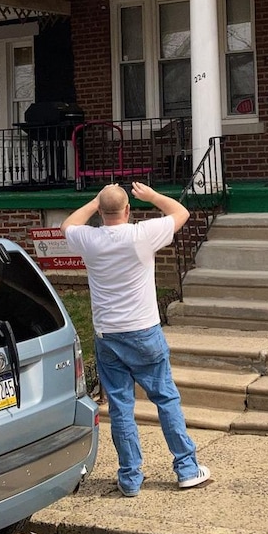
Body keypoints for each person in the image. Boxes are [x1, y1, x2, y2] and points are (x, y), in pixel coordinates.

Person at [61, 181, 211, 497]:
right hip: (144, 331)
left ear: (100, 212)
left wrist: (95, 201)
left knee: (120, 406)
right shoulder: (141, 235)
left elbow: (68, 225)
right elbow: (180, 212)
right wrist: (152, 196)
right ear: (128, 210)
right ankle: (186, 468)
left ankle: (130, 478)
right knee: (165, 398)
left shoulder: (89, 239)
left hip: (108, 336)